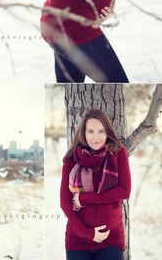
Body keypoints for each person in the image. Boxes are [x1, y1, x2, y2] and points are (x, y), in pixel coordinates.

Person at [60, 109, 131, 260]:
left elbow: (124, 191)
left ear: (107, 132)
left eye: (101, 131)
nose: (96, 137)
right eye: (90, 131)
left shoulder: (118, 153)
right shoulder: (71, 159)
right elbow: (65, 202)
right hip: (77, 240)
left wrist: (85, 198)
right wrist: (88, 233)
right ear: (83, 133)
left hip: (111, 239)